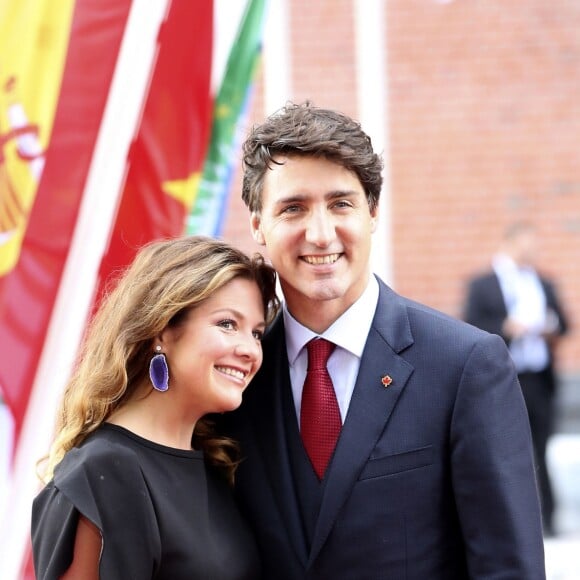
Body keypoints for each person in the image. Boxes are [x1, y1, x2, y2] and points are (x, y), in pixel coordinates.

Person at [222, 102, 546, 578]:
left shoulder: (465, 366)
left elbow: (508, 567)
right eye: (293, 208)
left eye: (340, 204)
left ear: (372, 212)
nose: (320, 233)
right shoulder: (236, 379)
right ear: (257, 226)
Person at [31, 235, 279, 580]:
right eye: (227, 324)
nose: (250, 350)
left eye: (256, 333)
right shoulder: (104, 471)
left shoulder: (216, 466)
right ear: (162, 330)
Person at [463, 222, 569, 536]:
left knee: (542, 447)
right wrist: (507, 328)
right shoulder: (484, 284)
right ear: (510, 243)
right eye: (527, 244)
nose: (533, 251)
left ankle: (546, 520)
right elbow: (472, 324)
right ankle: (509, 520)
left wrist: (549, 328)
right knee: (505, 448)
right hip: (503, 379)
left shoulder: (543, 282)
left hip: (539, 379)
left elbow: (564, 323)